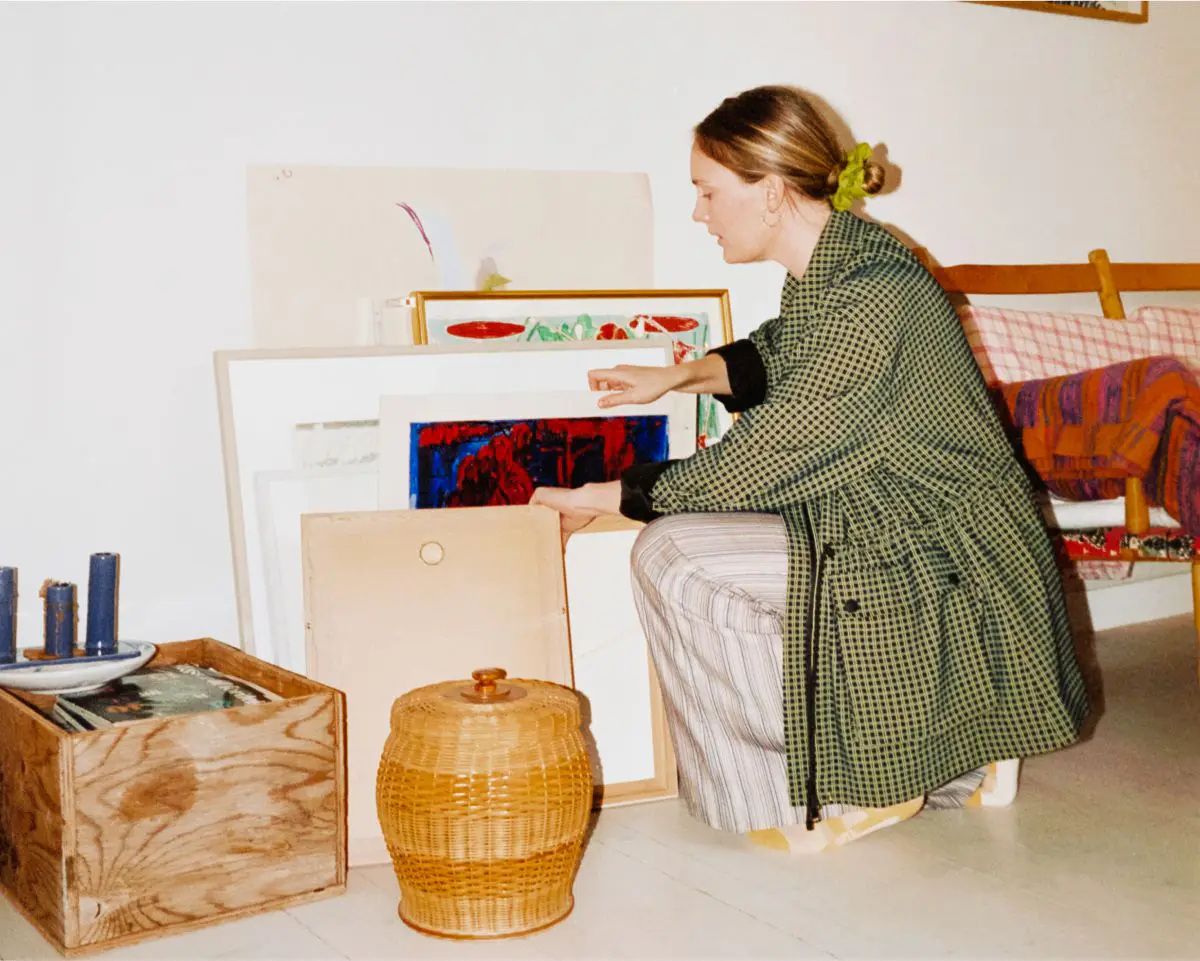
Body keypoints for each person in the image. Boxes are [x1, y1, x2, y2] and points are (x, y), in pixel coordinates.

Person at [530, 85, 1088, 854]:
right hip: (905, 521)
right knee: (681, 545)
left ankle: (841, 787)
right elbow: (779, 350)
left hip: (946, 556)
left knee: (675, 554)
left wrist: (609, 494)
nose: (698, 212)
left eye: (707, 191)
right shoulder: (839, 267)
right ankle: (949, 755)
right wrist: (678, 375)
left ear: (769, 191)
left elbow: (771, 452)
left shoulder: (872, 295)